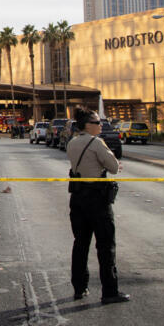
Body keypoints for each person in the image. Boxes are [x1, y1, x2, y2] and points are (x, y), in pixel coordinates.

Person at [66, 105, 130, 304]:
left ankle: (79, 287)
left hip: (77, 198)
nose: (100, 125)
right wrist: (112, 162)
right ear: (87, 125)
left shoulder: (72, 143)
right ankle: (110, 291)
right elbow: (113, 167)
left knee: (80, 244)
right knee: (105, 246)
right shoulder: (96, 143)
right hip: (97, 199)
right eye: (96, 122)